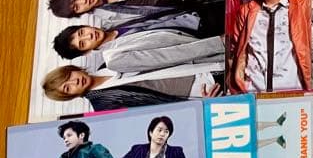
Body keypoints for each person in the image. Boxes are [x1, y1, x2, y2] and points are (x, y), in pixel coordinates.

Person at [230, 0, 312, 93]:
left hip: (292, 91)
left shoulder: (304, 6)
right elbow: (235, 51)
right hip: (254, 91)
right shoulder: (246, 11)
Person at [47, 0, 225, 37]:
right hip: (185, 11)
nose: (84, 1)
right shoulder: (108, 20)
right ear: (79, 13)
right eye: (77, 6)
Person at [52, 23, 224, 76]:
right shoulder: (114, 58)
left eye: (82, 32)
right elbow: (165, 57)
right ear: (86, 52)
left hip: (200, 28)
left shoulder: (115, 22)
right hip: (208, 48)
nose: (89, 36)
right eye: (83, 44)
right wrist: (217, 43)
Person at [40, 63, 223, 111]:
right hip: (198, 93)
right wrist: (201, 106)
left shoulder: (107, 64)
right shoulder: (104, 105)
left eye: (69, 77)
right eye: (67, 88)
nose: (74, 82)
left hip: (199, 67)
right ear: (70, 96)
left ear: (73, 69)